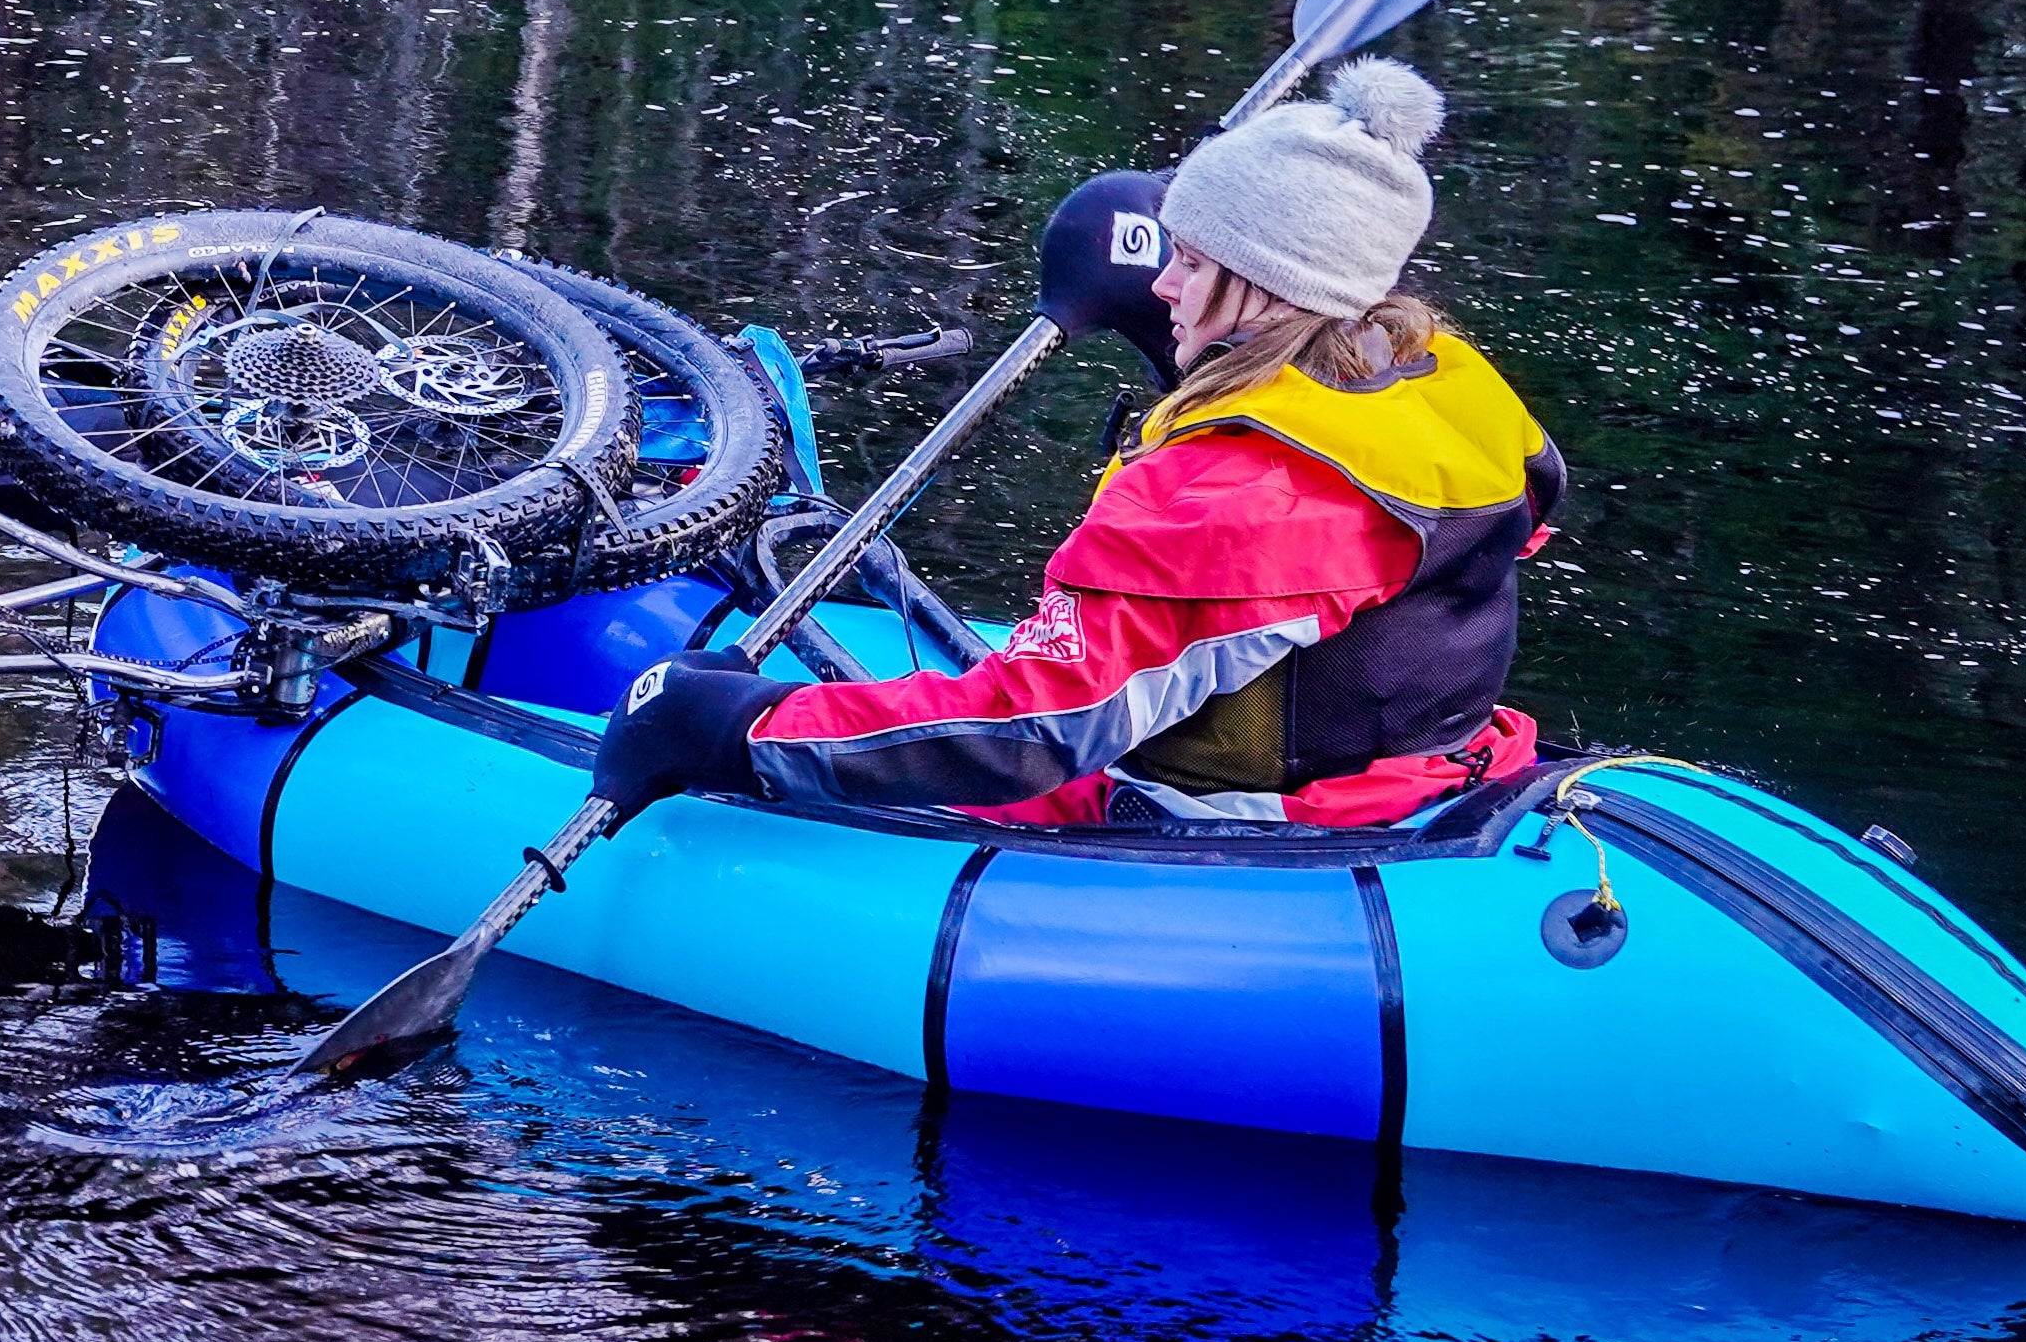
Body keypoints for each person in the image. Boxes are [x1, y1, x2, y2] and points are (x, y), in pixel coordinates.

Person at [592, 57, 1561, 834]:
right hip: (1425, 773)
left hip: (1249, 832)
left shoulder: (1232, 493)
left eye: (1188, 263)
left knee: (819, 735)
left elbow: (1031, 727)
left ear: (1264, 286)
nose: (1165, 287)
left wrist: (740, 728)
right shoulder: (1429, 373)